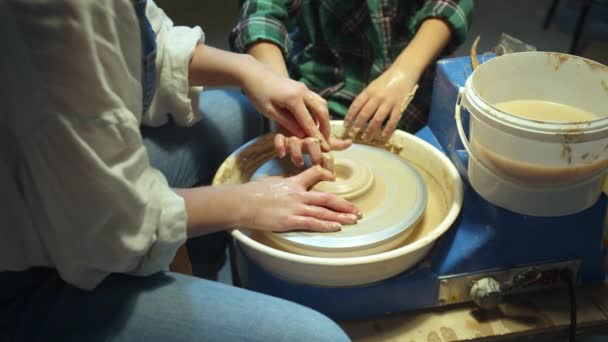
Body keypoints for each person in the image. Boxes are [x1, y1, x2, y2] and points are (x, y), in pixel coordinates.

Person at [0, 0, 360, 340]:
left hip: (53, 180)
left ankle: (208, 278)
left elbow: (142, 43)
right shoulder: (56, 13)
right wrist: (249, 203)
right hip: (23, 270)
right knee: (317, 337)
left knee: (244, 113)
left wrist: (251, 71)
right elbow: (106, 224)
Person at [230, 0, 473, 144]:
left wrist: (404, 72)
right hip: (329, 88)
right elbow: (261, 14)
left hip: (420, 83)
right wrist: (281, 92)